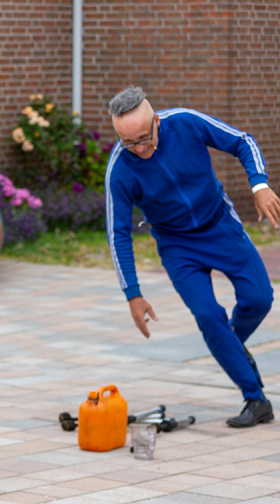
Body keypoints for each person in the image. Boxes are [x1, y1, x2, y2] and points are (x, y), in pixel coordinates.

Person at [105, 86, 280, 428]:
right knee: (206, 314)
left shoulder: (185, 122)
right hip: (177, 245)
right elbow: (118, 234)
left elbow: (242, 141)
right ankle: (255, 399)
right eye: (129, 143)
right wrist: (133, 294)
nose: (140, 150)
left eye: (144, 138)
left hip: (220, 226)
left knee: (259, 299)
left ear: (156, 121)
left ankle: (228, 344)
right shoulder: (120, 168)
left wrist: (259, 185)